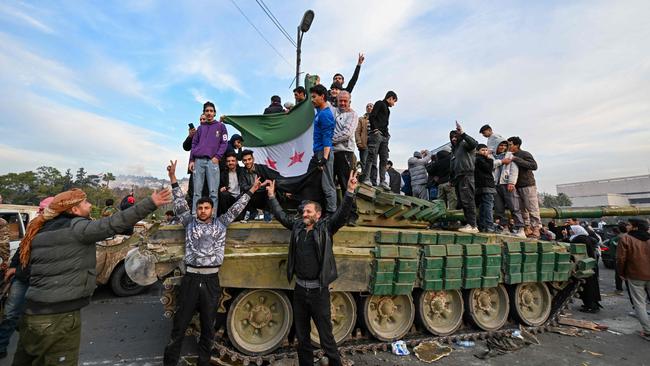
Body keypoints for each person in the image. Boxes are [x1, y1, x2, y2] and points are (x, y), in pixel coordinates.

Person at [11, 187, 171, 365]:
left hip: (31, 315)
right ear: (74, 209)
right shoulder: (76, 228)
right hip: (58, 318)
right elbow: (113, 223)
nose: (90, 205)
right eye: (85, 202)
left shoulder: (41, 231)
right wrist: (151, 203)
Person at [163, 160, 264, 365]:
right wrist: (173, 178)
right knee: (180, 325)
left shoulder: (221, 223)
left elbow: (237, 207)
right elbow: (180, 202)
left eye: (206, 207)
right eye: (200, 207)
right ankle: (170, 362)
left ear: (212, 209)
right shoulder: (189, 222)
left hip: (211, 280)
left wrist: (252, 189)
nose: (202, 210)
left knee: (208, 327)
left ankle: (203, 362)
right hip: (191, 278)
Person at [265, 171, 358, 366]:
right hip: (299, 290)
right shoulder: (298, 226)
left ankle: (335, 363)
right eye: (303, 212)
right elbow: (282, 216)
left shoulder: (326, 227)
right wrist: (272, 196)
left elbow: (341, 215)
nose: (304, 214)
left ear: (318, 214)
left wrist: (349, 192)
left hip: (318, 291)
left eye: (308, 212)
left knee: (325, 336)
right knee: (302, 336)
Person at [190, 101, 229, 214]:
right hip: (198, 161)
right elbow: (194, 144)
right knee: (197, 192)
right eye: (207, 111)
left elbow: (224, 143)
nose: (209, 113)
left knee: (213, 192)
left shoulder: (221, 126)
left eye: (211, 111)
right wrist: (192, 160)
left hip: (213, 161)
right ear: (204, 113)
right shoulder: (200, 128)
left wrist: (217, 156)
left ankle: (212, 217)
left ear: (215, 113)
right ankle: (195, 216)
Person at [617, 218, 650, 340]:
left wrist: (621, 273)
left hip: (635, 275)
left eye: (629, 225)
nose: (627, 226)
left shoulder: (626, 238)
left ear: (635, 227)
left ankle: (648, 331)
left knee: (639, 304)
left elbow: (621, 259)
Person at [309, 84, 337, 214]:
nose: (312, 99)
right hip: (318, 152)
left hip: (323, 153)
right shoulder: (319, 112)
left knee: (328, 185)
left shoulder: (325, 114)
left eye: (314, 97)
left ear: (322, 96)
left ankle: (332, 214)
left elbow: (327, 137)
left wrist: (324, 158)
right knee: (318, 185)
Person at [361, 91, 398, 190]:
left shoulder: (388, 110)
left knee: (384, 158)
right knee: (371, 157)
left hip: (385, 136)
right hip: (377, 134)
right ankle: (366, 178)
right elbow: (372, 116)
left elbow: (386, 124)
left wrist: (387, 135)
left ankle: (382, 181)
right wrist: (375, 129)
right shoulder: (379, 103)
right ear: (390, 98)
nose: (393, 104)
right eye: (394, 101)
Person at [507, 136, 542, 238]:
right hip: (515, 186)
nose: (508, 147)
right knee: (521, 209)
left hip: (527, 184)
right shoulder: (509, 155)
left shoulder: (524, 154)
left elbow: (534, 166)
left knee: (532, 207)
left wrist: (516, 159)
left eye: (510, 144)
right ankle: (527, 228)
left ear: (516, 145)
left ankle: (536, 228)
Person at [450, 121, 479, 233]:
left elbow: (474, 143)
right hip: (458, 177)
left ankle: (473, 225)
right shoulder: (455, 150)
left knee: (468, 200)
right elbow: (452, 166)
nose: (453, 139)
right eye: (451, 137)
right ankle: (469, 223)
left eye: (455, 136)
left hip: (467, 175)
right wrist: (452, 179)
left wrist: (462, 133)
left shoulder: (465, 145)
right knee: (463, 202)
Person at [493, 140, 525, 237]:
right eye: (500, 145)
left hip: (507, 183)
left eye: (504, 145)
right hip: (496, 185)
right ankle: (505, 227)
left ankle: (520, 228)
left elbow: (514, 169)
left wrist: (512, 182)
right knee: (499, 208)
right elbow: (489, 166)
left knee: (514, 206)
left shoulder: (510, 155)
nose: (502, 147)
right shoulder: (492, 156)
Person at [331, 91, 358, 202]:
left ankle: (351, 214)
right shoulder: (332, 111)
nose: (342, 103)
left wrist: (328, 141)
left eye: (345, 101)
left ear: (349, 102)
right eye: (340, 101)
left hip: (345, 153)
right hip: (331, 153)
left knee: (346, 184)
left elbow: (346, 133)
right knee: (330, 183)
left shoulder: (353, 115)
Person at [570, 224, 602, 313]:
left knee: (588, 287)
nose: (570, 231)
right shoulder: (586, 237)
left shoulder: (579, 239)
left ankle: (591, 306)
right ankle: (592, 304)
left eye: (572, 230)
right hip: (590, 265)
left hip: (585, 266)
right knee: (592, 286)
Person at [183, 114, 209, 204]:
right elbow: (186, 147)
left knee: (205, 193)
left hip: (208, 169)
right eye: (200, 119)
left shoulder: (212, 133)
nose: (202, 121)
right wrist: (190, 136)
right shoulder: (196, 133)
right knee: (192, 193)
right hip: (194, 168)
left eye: (204, 119)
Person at [475, 144, 496, 232]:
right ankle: (489, 226)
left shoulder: (475, 159)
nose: (485, 152)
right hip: (487, 185)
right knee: (488, 206)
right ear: (477, 151)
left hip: (479, 187)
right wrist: (489, 159)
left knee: (483, 207)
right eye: (482, 150)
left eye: (486, 150)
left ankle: (482, 226)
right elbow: (488, 169)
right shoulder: (482, 160)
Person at [355, 103, 372, 178]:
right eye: (367, 106)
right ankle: (364, 178)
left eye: (371, 106)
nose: (369, 107)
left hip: (373, 144)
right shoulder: (361, 119)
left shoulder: (377, 119)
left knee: (372, 162)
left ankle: (370, 179)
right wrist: (359, 142)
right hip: (364, 144)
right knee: (364, 162)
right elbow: (357, 131)